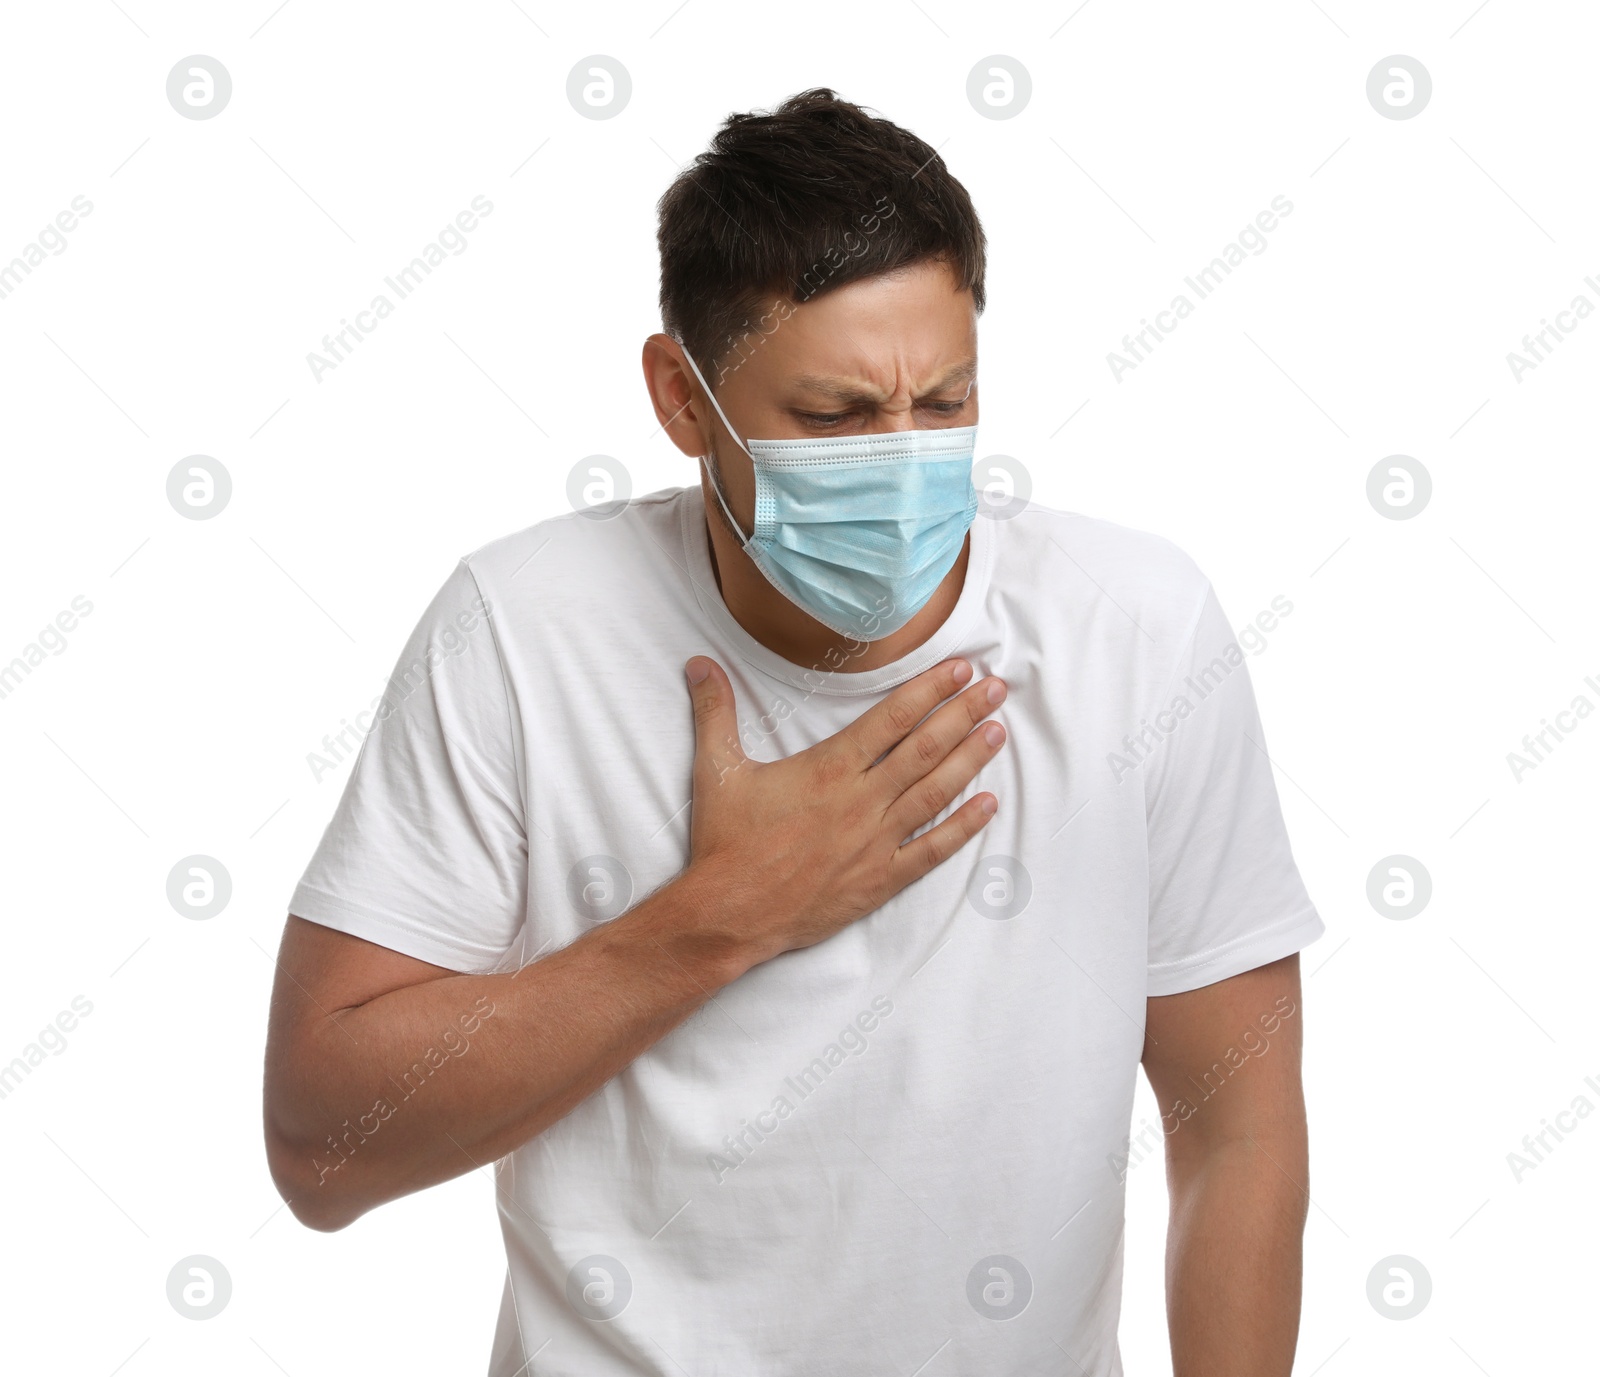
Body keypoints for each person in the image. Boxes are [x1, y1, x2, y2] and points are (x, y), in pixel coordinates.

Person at [264, 88, 1324, 1377]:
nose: (903, 458)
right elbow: (323, 1149)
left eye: (944, 401)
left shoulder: (1138, 629)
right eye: (831, 419)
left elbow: (1239, 1127)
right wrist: (723, 916)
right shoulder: (522, 628)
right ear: (681, 398)